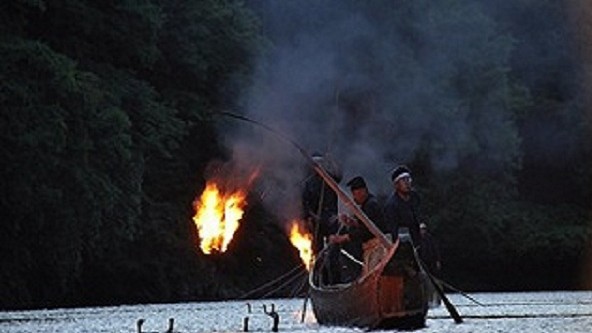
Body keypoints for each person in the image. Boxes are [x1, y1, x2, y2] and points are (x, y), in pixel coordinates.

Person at [328, 176, 381, 281]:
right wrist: (351, 222)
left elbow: (367, 230)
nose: (354, 198)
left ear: (363, 191)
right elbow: (364, 224)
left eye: (355, 194)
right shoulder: (368, 204)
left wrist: (343, 238)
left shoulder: (371, 205)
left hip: (376, 247)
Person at [302, 153, 342, 284]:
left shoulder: (330, 179)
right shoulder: (309, 184)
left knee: (334, 253)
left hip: (331, 221)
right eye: (316, 164)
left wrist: (331, 161)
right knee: (319, 254)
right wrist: (313, 218)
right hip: (317, 224)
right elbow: (306, 207)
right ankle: (322, 282)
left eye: (320, 163)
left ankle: (336, 282)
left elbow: (339, 175)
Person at [382, 165, 421, 244]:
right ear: (396, 185)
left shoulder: (414, 196)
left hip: (420, 238)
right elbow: (393, 231)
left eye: (408, 179)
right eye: (403, 180)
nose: (407, 183)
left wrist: (421, 224)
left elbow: (421, 214)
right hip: (406, 243)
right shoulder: (392, 205)